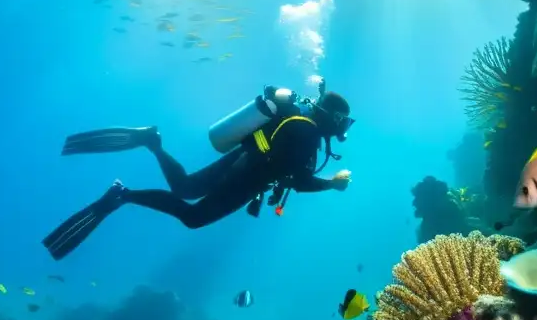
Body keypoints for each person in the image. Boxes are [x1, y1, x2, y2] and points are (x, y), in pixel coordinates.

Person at [42, 84, 354, 260]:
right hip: (247, 177)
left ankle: (152, 142)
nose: (343, 129)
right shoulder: (308, 133)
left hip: (243, 161)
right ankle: (123, 194)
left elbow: (287, 169)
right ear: (334, 117)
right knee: (193, 216)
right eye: (344, 122)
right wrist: (331, 184)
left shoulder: (301, 123)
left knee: (185, 187)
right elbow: (299, 181)